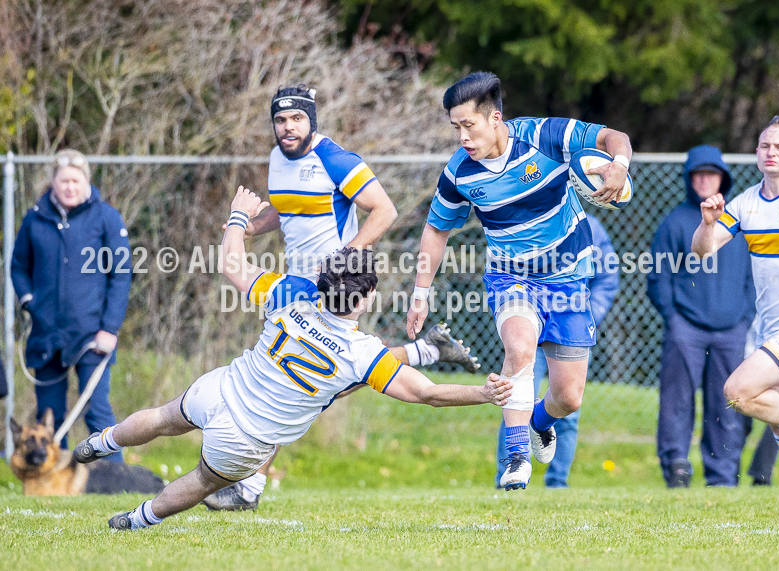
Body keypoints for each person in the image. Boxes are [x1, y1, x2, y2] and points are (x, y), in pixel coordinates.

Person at [73, 187, 512, 531]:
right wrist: (484, 393)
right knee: (204, 481)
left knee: (164, 416)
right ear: (368, 298)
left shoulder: (293, 294)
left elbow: (231, 265)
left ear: (321, 282)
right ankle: (140, 518)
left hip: (222, 389)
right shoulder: (364, 355)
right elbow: (428, 393)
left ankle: (104, 441)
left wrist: (238, 217)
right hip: (247, 438)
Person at [204, 85, 479, 511]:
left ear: (312, 120)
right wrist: (251, 227)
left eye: (296, 119)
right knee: (312, 381)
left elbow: (383, 210)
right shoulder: (279, 158)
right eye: (281, 120)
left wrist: (344, 258)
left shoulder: (335, 159)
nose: (288, 127)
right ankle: (423, 351)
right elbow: (287, 206)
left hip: (331, 288)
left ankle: (248, 489)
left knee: (301, 383)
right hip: (297, 284)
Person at [405, 71, 632, 490]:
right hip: (511, 275)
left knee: (568, 398)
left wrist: (618, 166)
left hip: (567, 278)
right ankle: (515, 457)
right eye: (455, 128)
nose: (462, 138)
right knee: (520, 347)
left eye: (468, 126)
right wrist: (421, 291)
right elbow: (437, 230)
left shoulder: (544, 136)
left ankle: (540, 422)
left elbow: (614, 138)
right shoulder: (459, 172)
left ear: (494, 118)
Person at [692, 114, 779, 484]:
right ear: (756, 152)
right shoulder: (744, 204)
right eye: (766, 146)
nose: (772, 152)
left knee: (737, 392)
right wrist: (707, 224)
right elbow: (702, 252)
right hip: (770, 327)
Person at [11, 149, 132, 462]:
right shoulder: (35, 218)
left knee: (96, 411)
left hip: (92, 334)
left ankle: (113, 477)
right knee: (49, 415)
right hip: (46, 334)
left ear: (86, 182)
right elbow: (18, 266)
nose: (69, 187)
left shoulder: (106, 217)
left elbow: (121, 274)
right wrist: (29, 301)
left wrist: (110, 328)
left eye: (75, 180)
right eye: (63, 180)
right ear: (53, 182)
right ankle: (54, 478)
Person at [647, 146, 756, 487]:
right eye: (697, 174)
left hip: (732, 330)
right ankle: (676, 466)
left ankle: (722, 475)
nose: (704, 180)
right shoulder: (675, 222)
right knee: (677, 402)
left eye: (711, 173)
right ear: (688, 179)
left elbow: (754, 275)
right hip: (686, 329)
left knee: (727, 403)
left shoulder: (737, 221)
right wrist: (674, 317)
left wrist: (745, 316)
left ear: (723, 177)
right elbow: (658, 277)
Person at [494, 214, 619, 488]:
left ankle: (557, 483)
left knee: (567, 405)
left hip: (566, 330)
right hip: (529, 333)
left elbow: (607, 276)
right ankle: (507, 477)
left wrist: (588, 315)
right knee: (517, 401)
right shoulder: (523, 220)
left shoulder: (588, 227)